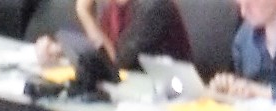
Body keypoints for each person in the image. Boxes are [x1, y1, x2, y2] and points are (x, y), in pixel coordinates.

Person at [34, 0, 192, 71]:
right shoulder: (114, 7)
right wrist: (61, 51)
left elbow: (116, 64)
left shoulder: (154, 6)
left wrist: (84, 13)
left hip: (175, 106)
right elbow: (100, 50)